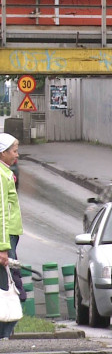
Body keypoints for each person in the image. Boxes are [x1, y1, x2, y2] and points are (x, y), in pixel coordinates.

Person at [0, 133, 22, 339]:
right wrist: (3, 246)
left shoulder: (5, 172)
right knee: (6, 288)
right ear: (3, 152)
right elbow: (2, 213)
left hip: (9, 237)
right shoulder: (0, 175)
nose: (16, 155)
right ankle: (4, 333)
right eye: (14, 151)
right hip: (5, 240)